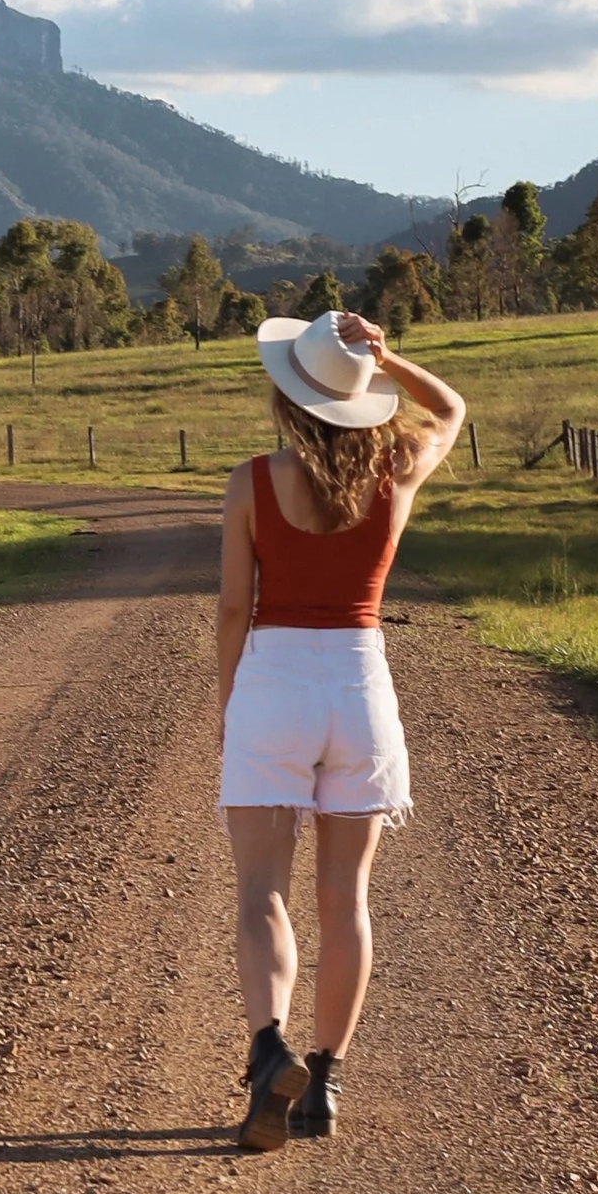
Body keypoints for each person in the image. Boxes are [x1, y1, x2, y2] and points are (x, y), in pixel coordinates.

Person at [215, 307, 465, 1151]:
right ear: (359, 399)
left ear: (288, 398)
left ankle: (266, 1047)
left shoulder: (251, 482)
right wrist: (387, 360)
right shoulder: (396, 470)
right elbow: (454, 410)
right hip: (360, 683)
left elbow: (231, 609)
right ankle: (321, 1083)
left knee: (262, 893)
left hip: (273, 681)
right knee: (345, 898)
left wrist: (231, 708)